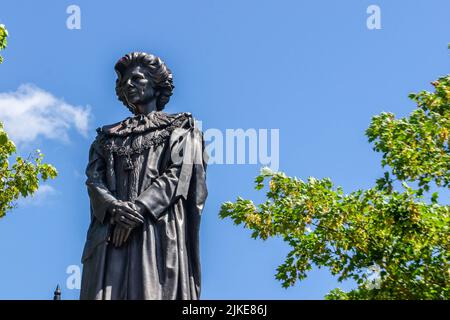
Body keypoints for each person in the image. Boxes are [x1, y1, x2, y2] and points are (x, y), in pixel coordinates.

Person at [80, 52, 208, 300]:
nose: (128, 85)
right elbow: (94, 180)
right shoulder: (106, 137)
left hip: (156, 229)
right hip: (111, 232)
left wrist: (138, 209)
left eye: (136, 78)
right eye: (124, 82)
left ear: (155, 83)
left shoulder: (181, 127)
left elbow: (180, 175)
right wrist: (115, 208)